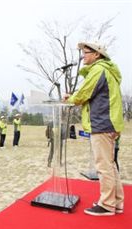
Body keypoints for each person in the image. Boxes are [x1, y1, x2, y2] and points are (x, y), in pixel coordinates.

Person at [64, 41, 124, 216]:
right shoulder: (106, 70)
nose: (83, 55)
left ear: (97, 54)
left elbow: (83, 93)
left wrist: (71, 98)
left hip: (102, 123)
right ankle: (116, 203)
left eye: (86, 52)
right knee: (110, 165)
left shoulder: (99, 70)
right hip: (109, 123)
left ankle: (106, 205)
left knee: (103, 166)